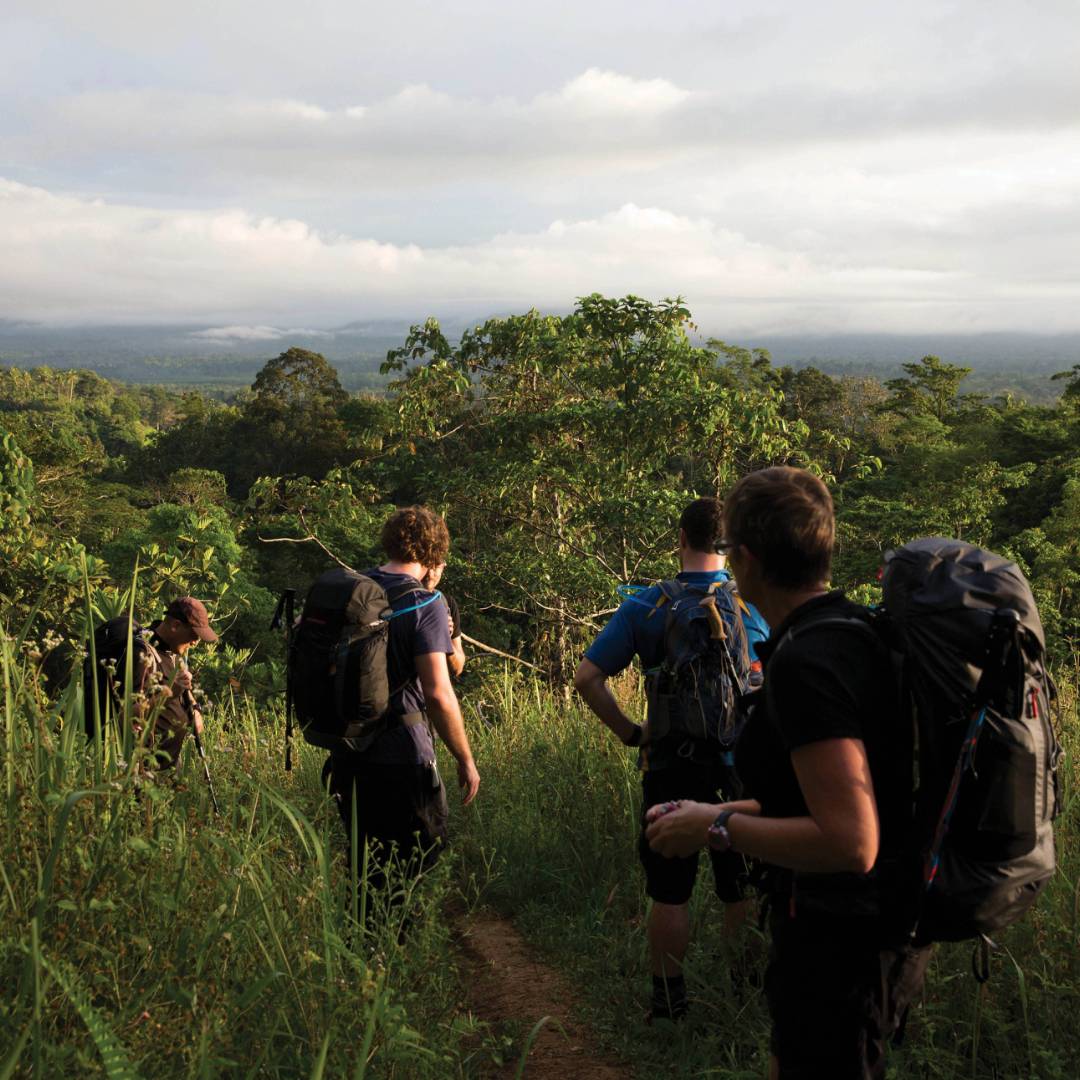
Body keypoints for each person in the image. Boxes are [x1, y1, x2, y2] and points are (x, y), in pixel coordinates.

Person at [646, 467, 930, 1079]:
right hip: (864, 929)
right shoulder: (852, 631)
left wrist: (718, 826)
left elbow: (851, 841)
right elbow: (818, 801)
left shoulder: (808, 662)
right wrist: (708, 816)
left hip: (843, 941)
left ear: (745, 559)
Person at [574, 497, 768, 1022]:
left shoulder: (646, 605)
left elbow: (587, 677)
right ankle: (745, 994)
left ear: (681, 538)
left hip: (669, 767)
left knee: (670, 891)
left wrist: (630, 733)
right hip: (739, 769)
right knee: (741, 887)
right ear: (729, 546)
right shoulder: (754, 605)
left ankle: (668, 1005)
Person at [325, 506, 480, 900]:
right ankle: (397, 951)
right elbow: (438, 694)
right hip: (402, 756)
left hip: (348, 752)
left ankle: (361, 951)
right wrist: (465, 759)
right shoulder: (427, 603)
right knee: (412, 867)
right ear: (434, 553)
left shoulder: (356, 588)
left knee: (364, 866)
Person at [130, 597, 217, 769]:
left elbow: (184, 691)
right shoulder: (141, 654)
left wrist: (195, 709)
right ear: (175, 625)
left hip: (166, 767)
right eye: (193, 635)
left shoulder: (174, 650)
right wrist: (169, 692)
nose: (195, 642)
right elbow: (128, 714)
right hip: (139, 769)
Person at [422, 562, 466, 678]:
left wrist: (444, 637)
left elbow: (457, 668)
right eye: (426, 565)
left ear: (443, 568)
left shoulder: (447, 603)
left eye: (436, 567)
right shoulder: (398, 601)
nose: (430, 574)